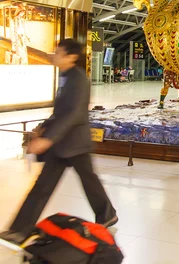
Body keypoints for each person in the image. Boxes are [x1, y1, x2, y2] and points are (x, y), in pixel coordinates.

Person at [0, 39, 117, 245]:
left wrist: (48, 139)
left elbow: (74, 114)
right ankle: (21, 229)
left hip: (73, 143)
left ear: (71, 56)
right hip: (65, 143)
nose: (54, 55)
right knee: (53, 185)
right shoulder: (66, 77)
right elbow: (61, 111)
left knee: (80, 182)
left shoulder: (78, 79)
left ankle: (20, 230)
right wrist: (43, 127)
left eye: (59, 52)